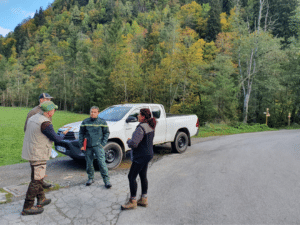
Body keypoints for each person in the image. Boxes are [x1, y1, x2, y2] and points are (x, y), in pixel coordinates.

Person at [21, 101, 69, 215]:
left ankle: (41, 199)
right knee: (36, 180)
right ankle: (27, 207)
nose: (55, 111)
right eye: (54, 109)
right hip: (38, 154)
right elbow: (57, 139)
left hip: (31, 151)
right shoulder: (45, 123)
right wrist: (64, 134)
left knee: (38, 177)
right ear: (49, 112)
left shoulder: (34, 117)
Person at [121, 108, 156, 210]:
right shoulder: (150, 126)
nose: (137, 116)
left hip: (140, 156)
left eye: (139, 115)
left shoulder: (141, 127)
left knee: (131, 177)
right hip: (148, 154)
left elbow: (134, 143)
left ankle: (133, 201)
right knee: (143, 175)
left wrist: (129, 141)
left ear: (143, 116)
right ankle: (144, 199)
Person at [24, 93, 54, 189]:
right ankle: (37, 184)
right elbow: (27, 128)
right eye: (47, 99)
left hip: (44, 143)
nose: (49, 101)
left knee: (41, 166)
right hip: (36, 144)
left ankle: (40, 183)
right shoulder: (34, 112)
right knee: (36, 166)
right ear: (41, 100)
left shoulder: (48, 110)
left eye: (50, 99)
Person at [78, 106, 112, 188]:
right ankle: (90, 178)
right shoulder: (85, 122)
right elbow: (81, 134)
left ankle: (106, 180)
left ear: (98, 113)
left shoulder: (102, 122)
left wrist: (102, 144)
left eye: (94, 112)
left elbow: (106, 133)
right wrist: (81, 145)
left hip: (98, 146)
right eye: (91, 112)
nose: (92, 113)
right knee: (89, 163)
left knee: (101, 163)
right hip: (88, 146)